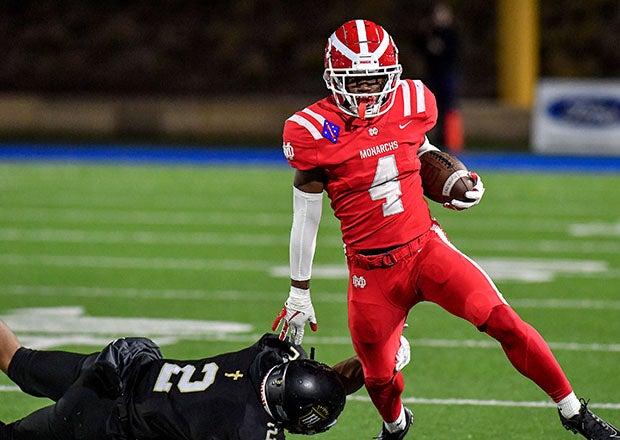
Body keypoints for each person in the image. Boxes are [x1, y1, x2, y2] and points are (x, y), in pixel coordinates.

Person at [271, 19, 619, 440]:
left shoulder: (412, 101)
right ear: (334, 79)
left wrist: (455, 180)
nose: (366, 91)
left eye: (375, 80)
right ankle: (396, 426)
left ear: (391, 75)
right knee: (379, 378)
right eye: (356, 81)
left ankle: (573, 410)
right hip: (372, 272)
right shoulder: (311, 130)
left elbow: (418, 148)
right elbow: (305, 214)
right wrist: (298, 291)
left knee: (504, 322)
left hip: (425, 250)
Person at [0, 318, 363, 440]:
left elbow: (330, 380)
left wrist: (377, 359)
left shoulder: (269, 356)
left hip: (117, 366)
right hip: (102, 418)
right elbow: (323, 387)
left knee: (16, 358)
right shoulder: (248, 430)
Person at [418, 2, 462, 151]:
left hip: (447, 75)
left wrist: (440, 49)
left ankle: (451, 142)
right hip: (433, 76)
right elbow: (418, 46)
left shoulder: (452, 34)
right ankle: (429, 141)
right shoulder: (429, 32)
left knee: (448, 109)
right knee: (429, 109)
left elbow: (455, 53)